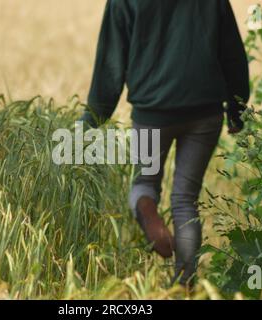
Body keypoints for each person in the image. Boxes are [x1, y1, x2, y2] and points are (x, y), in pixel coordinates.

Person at [80, 0, 250, 287]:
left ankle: (149, 215)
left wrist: (91, 120)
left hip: (152, 114)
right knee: (185, 200)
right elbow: (233, 53)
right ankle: (185, 284)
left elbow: (110, 62)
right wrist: (237, 110)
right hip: (205, 113)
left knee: (145, 183)